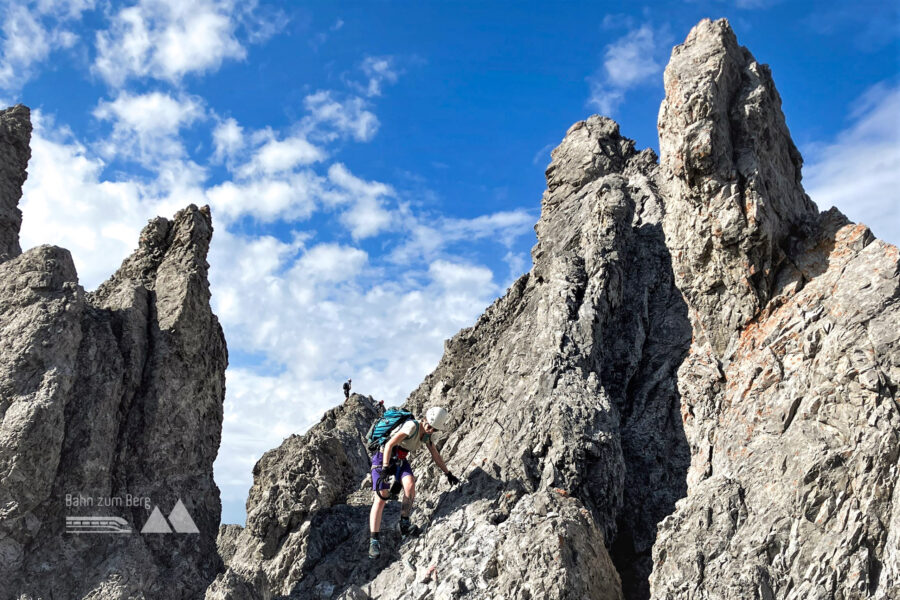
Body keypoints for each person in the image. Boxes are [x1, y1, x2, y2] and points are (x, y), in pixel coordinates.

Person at [368, 406, 459, 558]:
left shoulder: (428, 436)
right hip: (383, 455)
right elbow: (390, 444)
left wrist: (448, 473)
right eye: (429, 427)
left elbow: (435, 455)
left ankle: (404, 523)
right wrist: (384, 468)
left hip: (400, 459)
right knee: (381, 497)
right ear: (424, 420)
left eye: (434, 429)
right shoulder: (412, 426)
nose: (430, 430)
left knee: (410, 485)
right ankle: (374, 541)